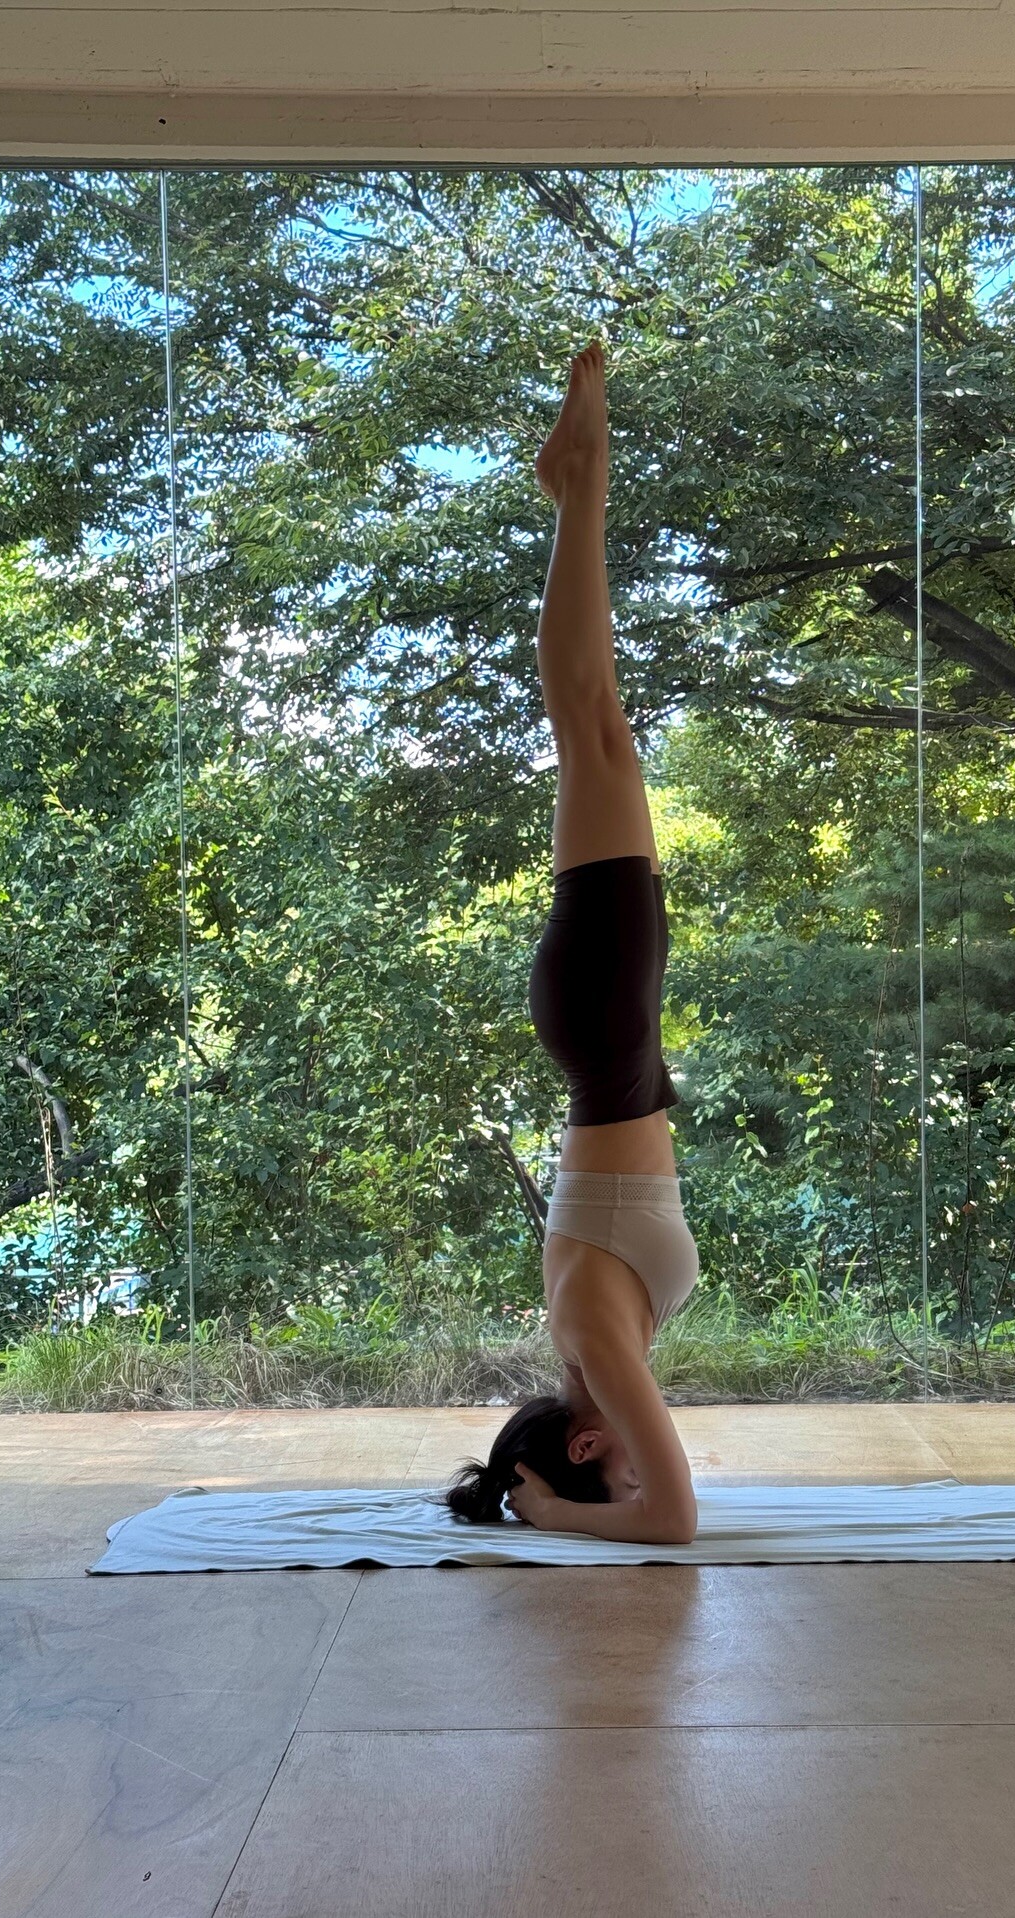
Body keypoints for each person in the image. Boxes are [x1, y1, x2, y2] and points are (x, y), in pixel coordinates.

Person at [445, 342, 699, 1545]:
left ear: (588, 1445)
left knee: (589, 722)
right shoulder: (595, 1351)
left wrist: (550, 1514)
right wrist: (545, 1495)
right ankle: (577, 483)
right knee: (600, 728)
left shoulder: (594, 1340)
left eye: (616, 1475)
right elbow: (657, 1505)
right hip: (611, 1036)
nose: (641, 1476)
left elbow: (672, 1525)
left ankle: (579, 481)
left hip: (606, 1031)